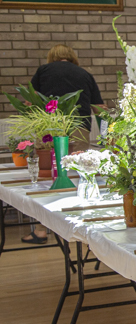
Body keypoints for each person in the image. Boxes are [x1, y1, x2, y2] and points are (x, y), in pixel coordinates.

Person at [22, 44, 106, 244]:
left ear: (52, 57)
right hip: (78, 127)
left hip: (49, 128)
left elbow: (29, 103)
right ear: (72, 57)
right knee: (80, 175)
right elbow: (98, 107)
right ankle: (82, 225)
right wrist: (108, 132)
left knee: (48, 177)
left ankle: (41, 230)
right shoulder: (84, 74)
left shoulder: (43, 71)